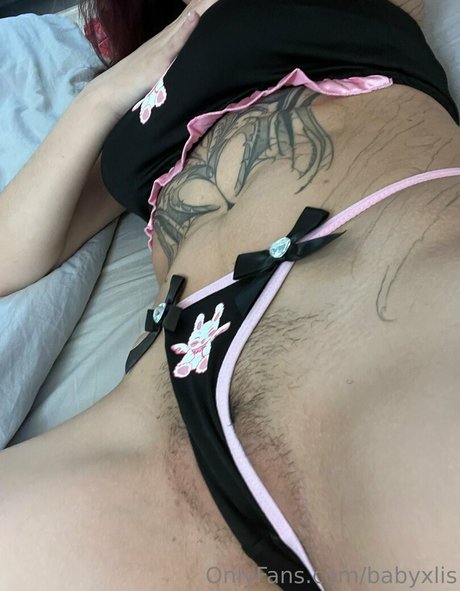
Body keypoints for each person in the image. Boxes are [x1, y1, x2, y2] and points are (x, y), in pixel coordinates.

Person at [0, 0, 459, 589]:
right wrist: (105, 92)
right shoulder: (145, 79)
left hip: (373, 280)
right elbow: (11, 253)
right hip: (165, 407)